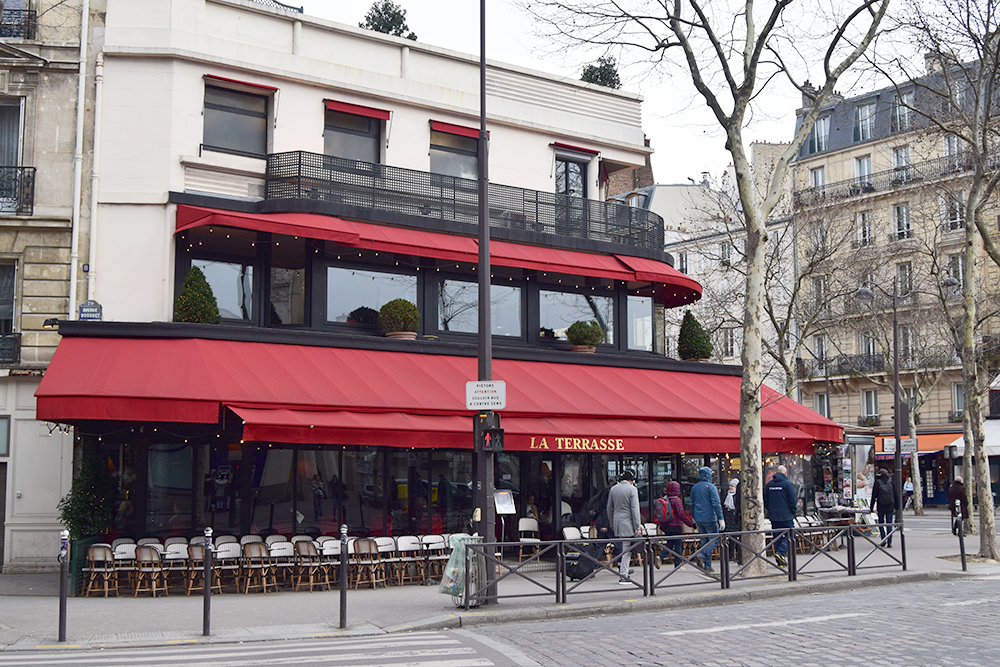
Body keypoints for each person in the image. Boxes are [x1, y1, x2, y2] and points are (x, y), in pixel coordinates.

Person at [606, 470, 642, 584]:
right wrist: (638, 526)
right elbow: (635, 510)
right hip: (628, 523)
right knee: (627, 550)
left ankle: (623, 568)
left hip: (617, 522)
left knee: (622, 547)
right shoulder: (632, 489)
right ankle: (623, 575)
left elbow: (609, 508)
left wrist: (612, 523)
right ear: (632, 479)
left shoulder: (613, 489)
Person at [690, 466, 724, 573]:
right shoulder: (711, 487)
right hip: (710, 518)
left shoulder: (694, 487)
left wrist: (694, 517)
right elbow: (716, 504)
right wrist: (721, 518)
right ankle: (702, 555)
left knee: (704, 541)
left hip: (698, 518)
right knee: (715, 539)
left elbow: (691, 504)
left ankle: (707, 565)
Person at [654, 480, 695, 569]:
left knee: (670, 544)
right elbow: (681, 515)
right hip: (676, 526)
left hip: (666, 526)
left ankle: (660, 557)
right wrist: (691, 524)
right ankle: (677, 565)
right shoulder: (676, 500)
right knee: (678, 546)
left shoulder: (665, 499)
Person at [764, 464, 796, 566]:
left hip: (774, 516)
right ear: (785, 473)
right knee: (791, 534)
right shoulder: (788, 484)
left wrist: (771, 510)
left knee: (777, 537)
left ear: (776, 473)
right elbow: (793, 500)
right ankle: (781, 553)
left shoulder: (769, 485)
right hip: (786, 516)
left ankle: (780, 561)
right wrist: (793, 511)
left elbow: (766, 500)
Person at [869, 468, 898, 546]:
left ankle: (883, 539)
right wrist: (897, 506)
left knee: (881, 523)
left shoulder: (877, 483)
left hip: (881, 505)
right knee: (889, 523)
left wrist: (871, 507)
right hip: (890, 505)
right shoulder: (891, 482)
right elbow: (896, 495)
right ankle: (889, 541)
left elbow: (874, 496)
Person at [721, 478, 742, 562]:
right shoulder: (726, 496)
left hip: (735, 519)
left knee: (736, 538)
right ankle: (730, 555)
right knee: (730, 538)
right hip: (728, 520)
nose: (730, 487)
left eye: (733, 486)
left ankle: (738, 555)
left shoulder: (737, 496)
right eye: (730, 486)